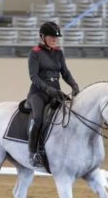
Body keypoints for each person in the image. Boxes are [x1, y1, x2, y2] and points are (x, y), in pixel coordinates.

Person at [27, 21, 80, 167]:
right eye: (52, 37)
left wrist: (74, 85)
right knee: (38, 119)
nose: (55, 39)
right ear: (43, 36)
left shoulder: (58, 53)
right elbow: (34, 76)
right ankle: (33, 153)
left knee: (71, 114)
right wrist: (47, 89)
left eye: (56, 37)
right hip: (38, 93)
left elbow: (65, 73)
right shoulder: (35, 53)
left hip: (56, 92)